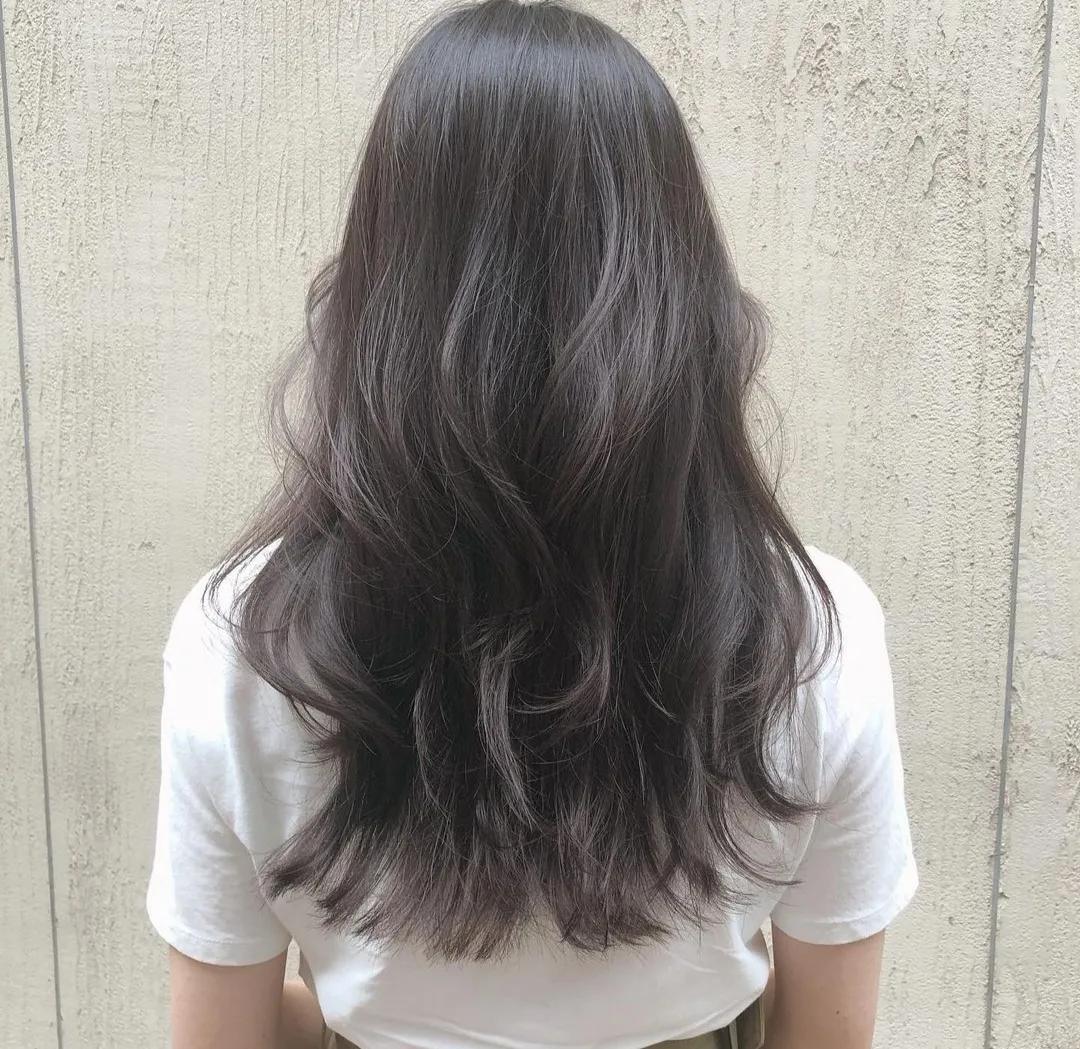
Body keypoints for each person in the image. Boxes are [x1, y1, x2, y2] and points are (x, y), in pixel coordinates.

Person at [146, 2, 918, 1047]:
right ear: (677, 292)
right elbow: (826, 1031)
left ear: (383, 287)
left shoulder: (247, 639)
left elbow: (222, 1037)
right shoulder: (809, 628)